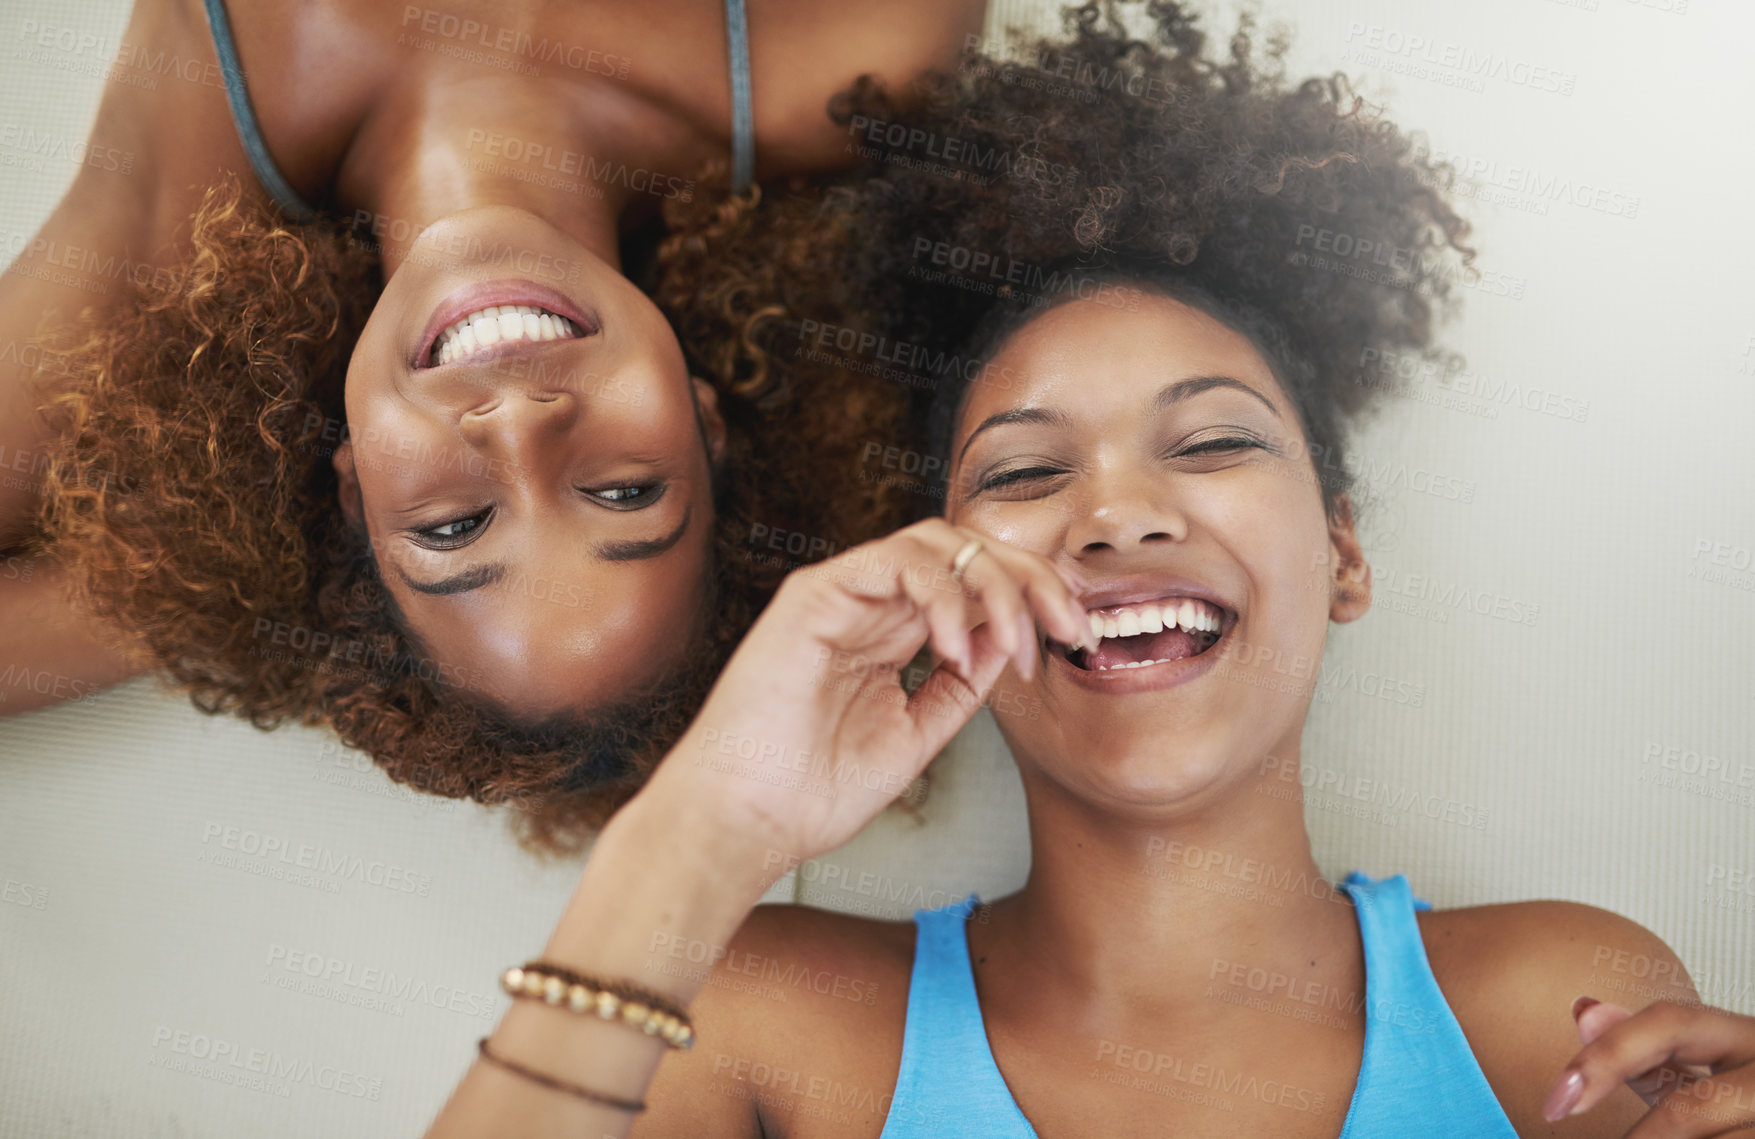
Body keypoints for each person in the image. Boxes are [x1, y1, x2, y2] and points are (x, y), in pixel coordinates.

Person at [416, 4, 1755, 1136]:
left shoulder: (1554, 1009)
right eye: (1020, 471)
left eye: (1213, 438)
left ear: (1340, 549)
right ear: (931, 578)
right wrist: (706, 827)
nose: (1114, 512)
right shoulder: (762, 1026)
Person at [1, 0, 983, 846]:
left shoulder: (188, 188)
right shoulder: (850, 53)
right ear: (705, 419)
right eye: (622, 490)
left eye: (452, 525)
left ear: (349, 491)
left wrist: (218, 593)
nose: (518, 424)